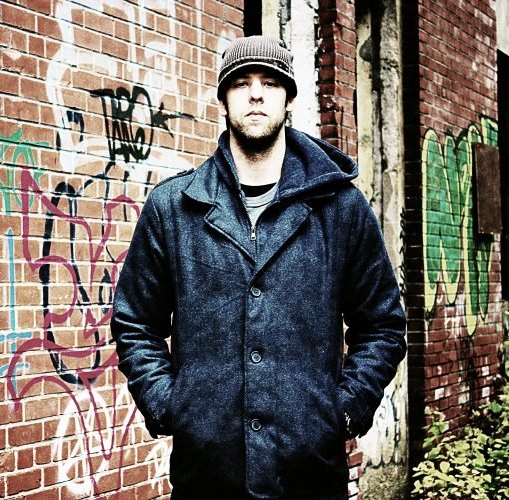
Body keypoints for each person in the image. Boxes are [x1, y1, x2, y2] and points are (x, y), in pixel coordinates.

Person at [110, 36, 407, 499]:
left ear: (289, 100)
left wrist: (345, 410)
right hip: (206, 475)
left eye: (270, 83)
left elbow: (382, 325)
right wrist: (169, 405)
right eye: (241, 83)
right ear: (223, 99)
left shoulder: (340, 208)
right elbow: (135, 323)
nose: (255, 95)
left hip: (311, 475)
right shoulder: (173, 207)